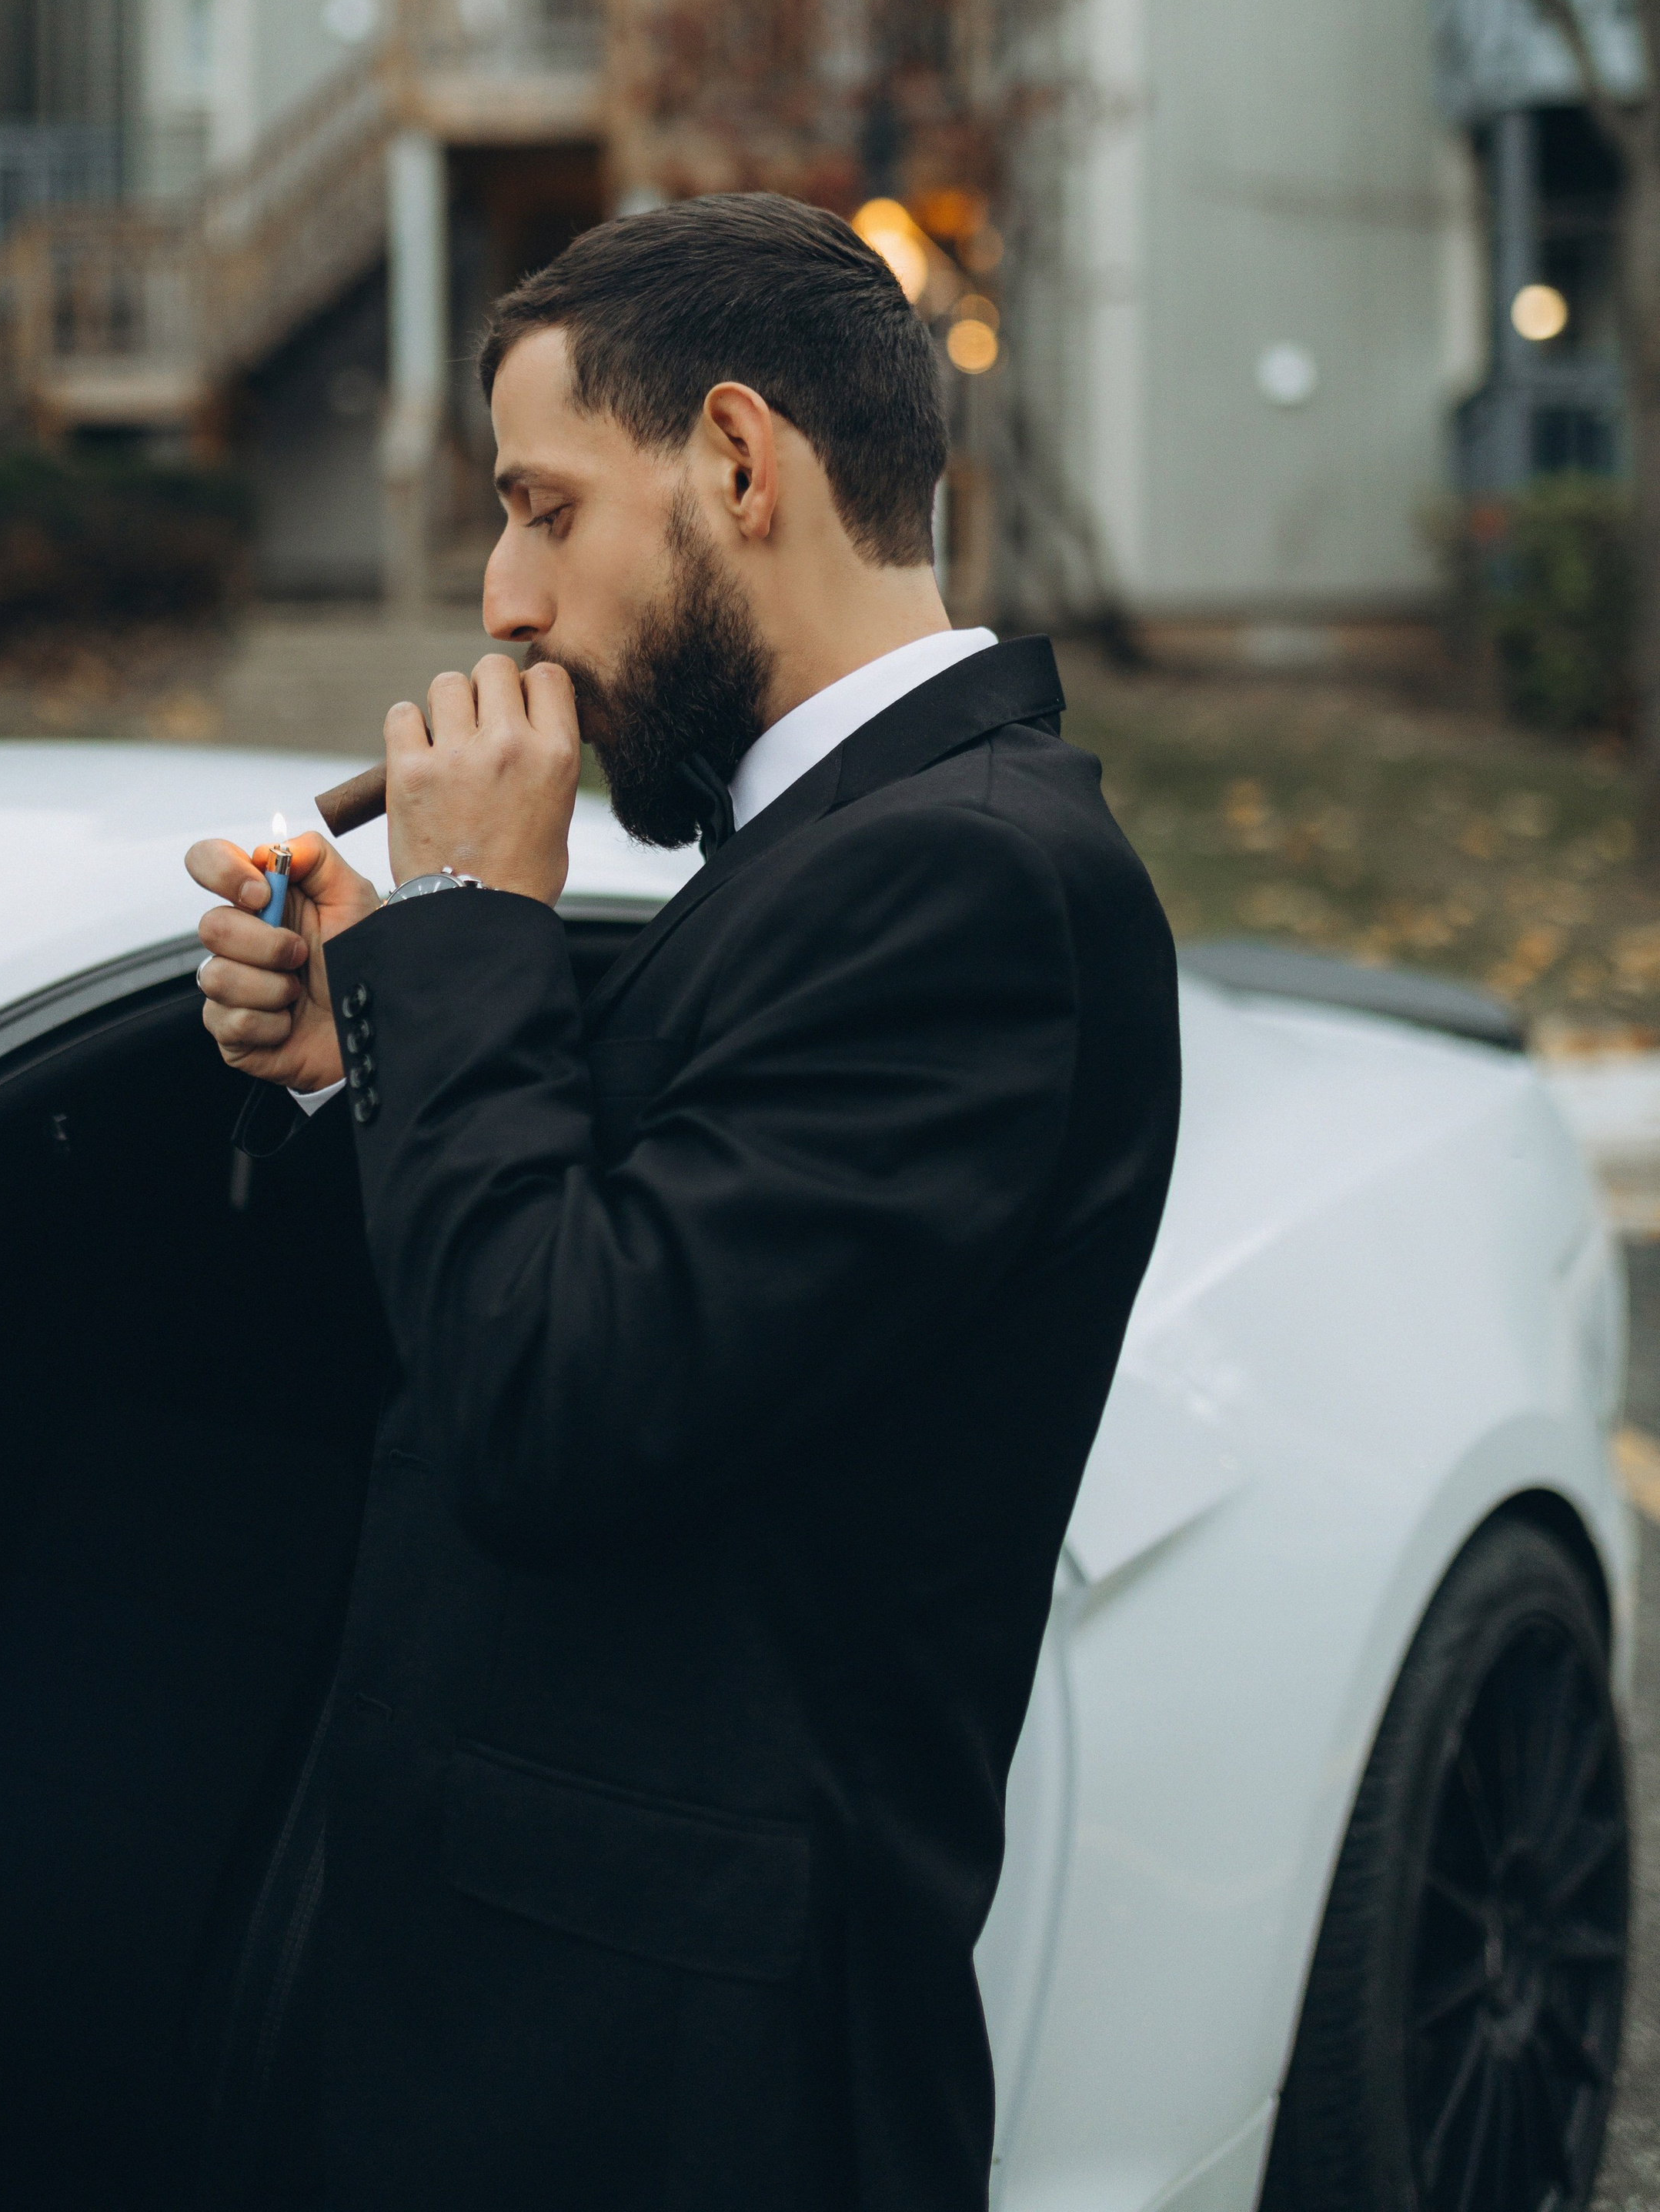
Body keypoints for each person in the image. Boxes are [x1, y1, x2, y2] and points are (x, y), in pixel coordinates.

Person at [187, 192, 1181, 2212]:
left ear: (738, 464)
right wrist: (365, 1046)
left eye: (540, 510)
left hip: (665, 2097)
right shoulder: (837, 855)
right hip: (517, 2018)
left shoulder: (979, 886)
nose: (503, 602)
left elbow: (563, 1404)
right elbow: (579, 1253)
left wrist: (466, 924)